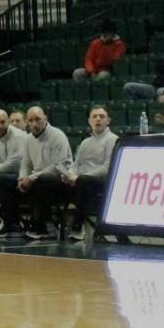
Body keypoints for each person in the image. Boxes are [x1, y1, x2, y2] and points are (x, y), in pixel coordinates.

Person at [9, 104, 73, 241]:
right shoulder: (28, 139)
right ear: (26, 122)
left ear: (45, 118)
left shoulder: (57, 135)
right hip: (38, 177)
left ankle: (44, 227)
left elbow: (58, 166)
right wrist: (22, 178)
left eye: (38, 119)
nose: (34, 123)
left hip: (62, 178)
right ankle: (13, 226)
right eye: (31, 120)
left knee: (42, 180)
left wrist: (31, 178)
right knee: (5, 180)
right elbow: (25, 162)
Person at [66, 104, 117, 245]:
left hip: (102, 183)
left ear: (108, 120)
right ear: (89, 120)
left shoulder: (112, 139)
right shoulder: (85, 142)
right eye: (94, 116)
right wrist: (70, 174)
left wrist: (81, 177)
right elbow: (76, 163)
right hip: (82, 181)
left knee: (83, 181)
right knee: (56, 181)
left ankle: (78, 226)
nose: (98, 119)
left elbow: (107, 168)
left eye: (101, 116)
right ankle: (46, 225)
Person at [72, 22, 126, 88]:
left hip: (107, 70)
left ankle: (96, 93)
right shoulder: (95, 43)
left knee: (102, 76)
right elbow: (88, 59)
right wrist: (91, 71)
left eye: (110, 32)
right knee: (77, 73)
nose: (108, 34)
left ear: (113, 33)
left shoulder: (119, 45)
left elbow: (113, 60)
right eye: (106, 32)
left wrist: (106, 45)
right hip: (94, 70)